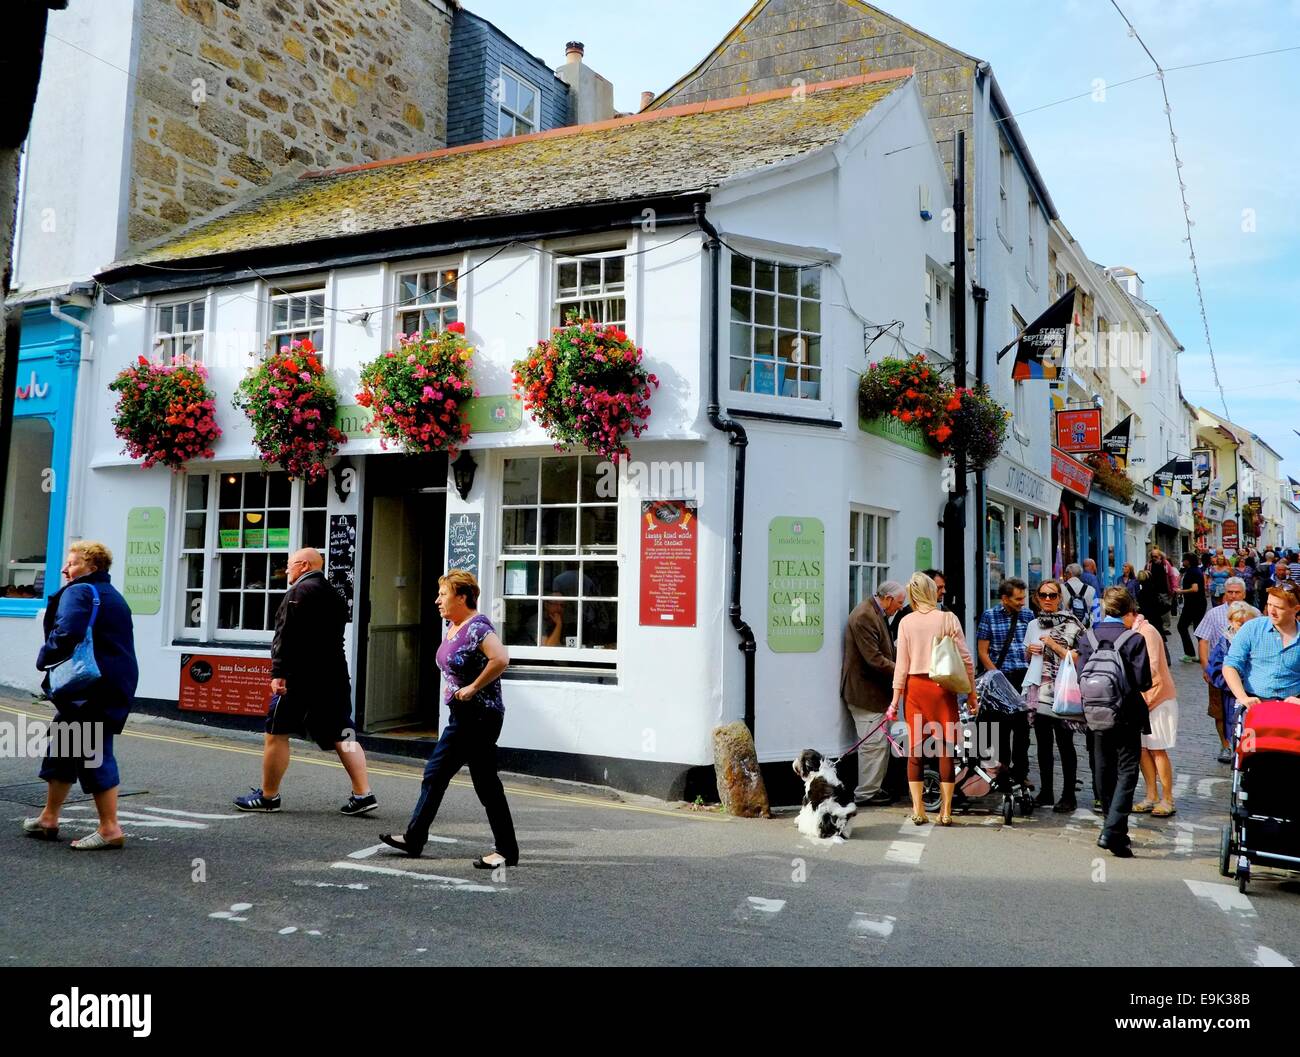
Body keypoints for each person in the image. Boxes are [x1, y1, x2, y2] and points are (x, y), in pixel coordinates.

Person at [381, 571, 519, 868]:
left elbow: (501, 659)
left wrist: (472, 687)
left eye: (443, 594)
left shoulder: (477, 628)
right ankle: (416, 837)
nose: (437, 600)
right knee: (457, 777)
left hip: (479, 715)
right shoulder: (454, 626)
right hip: (465, 714)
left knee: (455, 777)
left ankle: (504, 850)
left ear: (463, 596)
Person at [235, 548, 377, 815]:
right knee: (343, 732)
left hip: (300, 678)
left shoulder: (298, 593)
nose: (286, 570)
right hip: (333, 675)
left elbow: (285, 636)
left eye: (289, 565)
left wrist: (278, 673)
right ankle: (363, 793)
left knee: (276, 733)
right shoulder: (333, 594)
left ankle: (268, 797)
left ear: (302, 565)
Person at [25, 542, 139, 850]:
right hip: (110, 681)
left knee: (92, 747)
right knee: (64, 743)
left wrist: (44, 657)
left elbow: (68, 633)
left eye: (72, 563)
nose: (65, 569)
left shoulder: (79, 592)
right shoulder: (111, 595)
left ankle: (110, 828)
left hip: (91, 687)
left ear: (92, 567)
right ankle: (48, 818)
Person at [888, 572, 977, 826]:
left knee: (915, 751)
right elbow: (966, 660)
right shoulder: (948, 618)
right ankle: (946, 811)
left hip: (915, 689)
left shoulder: (906, 622)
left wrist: (895, 701)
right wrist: (971, 692)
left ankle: (918, 810)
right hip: (942, 688)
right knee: (946, 749)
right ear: (931, 591)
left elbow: (901, 666)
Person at [1077, 588, 1153, 858]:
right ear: (1127, 610)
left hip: (1096, 712)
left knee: (1103, 769)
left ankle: (1115, 831)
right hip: (1127, 712)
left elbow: (1080, 676)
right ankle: (1111, 830)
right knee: (1127, 771)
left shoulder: (1087, 638)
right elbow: (1144, 681)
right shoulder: (1133, 639)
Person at [1023, 578, 1085, 813]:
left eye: (1053, 595)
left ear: (1060, 598)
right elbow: (1029, 659)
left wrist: (1053, 645)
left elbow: (1081, 657)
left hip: (1062, 691)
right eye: (1043, 595)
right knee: (1043, 745)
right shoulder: (1032, 624)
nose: (1048, 599)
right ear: (1037, 598)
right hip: (1038, 690)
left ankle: (1069, 796)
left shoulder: (1073, 624)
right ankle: (1046, 791)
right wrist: (1029, 651)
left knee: (1065, 743)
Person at [840, 581, 904, 806]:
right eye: (898, 603)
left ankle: (872, 790)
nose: (899, 607)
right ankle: (866, 794)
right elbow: (874, 659)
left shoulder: (875, 612)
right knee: (873, 744)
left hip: (871, 692)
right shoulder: (864, 616)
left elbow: (885, 651)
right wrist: (904, 670)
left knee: (877, 743)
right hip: (864, 693)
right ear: (887, 599)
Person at [976, 578, 1034, 790]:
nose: (1022, 603)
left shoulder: (1028, 615)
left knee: (1022, 730)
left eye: (1023, 598)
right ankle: (1002, 773)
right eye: (1018, 599)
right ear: (1004, 598)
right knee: (1000, 729)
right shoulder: (989, 616)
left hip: (1022, 677)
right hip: (1000, 678)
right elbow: (982, 651)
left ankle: (1021, 774)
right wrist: (996, 677)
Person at [1222, 582, 1300, 717]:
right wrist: (1243, 697)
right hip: (1254, 706)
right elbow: (1230, 665)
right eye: (1269, 605)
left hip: (1293, 711)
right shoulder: (1252, 628)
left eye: (1279, 607)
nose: (1272, 611)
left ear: (1296, 609)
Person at [1194, 576, 1248, 763]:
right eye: (1229, 592)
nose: (1233, 596)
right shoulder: (1214, 614)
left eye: (1237, 592)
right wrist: (1206, 668)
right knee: (1219, 711)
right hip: (1218, 672)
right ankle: (1225, 745)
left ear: (1244, 593)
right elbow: (1203, 640)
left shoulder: (1253, 614)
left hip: (1245, 675)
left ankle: (1243, 747)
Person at [1132, 609, 1178, 818]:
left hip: (1158, 696)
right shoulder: (1133, 631)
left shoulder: (1147, 630)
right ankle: (1151, 794)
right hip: (1141, 699)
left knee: (1157, 749)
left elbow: (1151, 667)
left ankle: (1167, 798)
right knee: (1143, 749)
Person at [1206, 601, 1262, 748]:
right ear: (1231, 622)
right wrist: (1234, 684)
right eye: (1240, 623)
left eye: (1247, 624)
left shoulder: (1259, 641)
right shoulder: (1224, 643)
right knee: (1238, 734)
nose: (1244, 628)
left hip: (1256, 696)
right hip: (1232, 697)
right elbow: (1216, 670)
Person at [1174, 552, 1206, 662]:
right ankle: (1201, 654)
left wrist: (1180, 591)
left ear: (1189, 561)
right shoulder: (1192, 571)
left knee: (1182, 626)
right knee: (1197, 629)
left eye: (1184, 560)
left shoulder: (1193, 572)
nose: (1182, 562)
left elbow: (1195, 588)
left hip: (1194, 604)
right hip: (1195, 603)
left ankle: (1191, 654)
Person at [1135, 569, 1171, 664]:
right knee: (1160, 638)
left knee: (1148, 638)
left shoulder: (1141, 593)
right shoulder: (1154, 589)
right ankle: (1166, 659)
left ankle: (1152, 657)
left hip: (1147, 617)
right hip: (1156, 616)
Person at [1061, 563, 1097, 627]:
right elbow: (1096, 613)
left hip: (1065, 628)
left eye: (1065, 573)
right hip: (1085, 628)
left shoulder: (1060, 588)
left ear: (1069, 574)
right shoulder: (1092, 590)